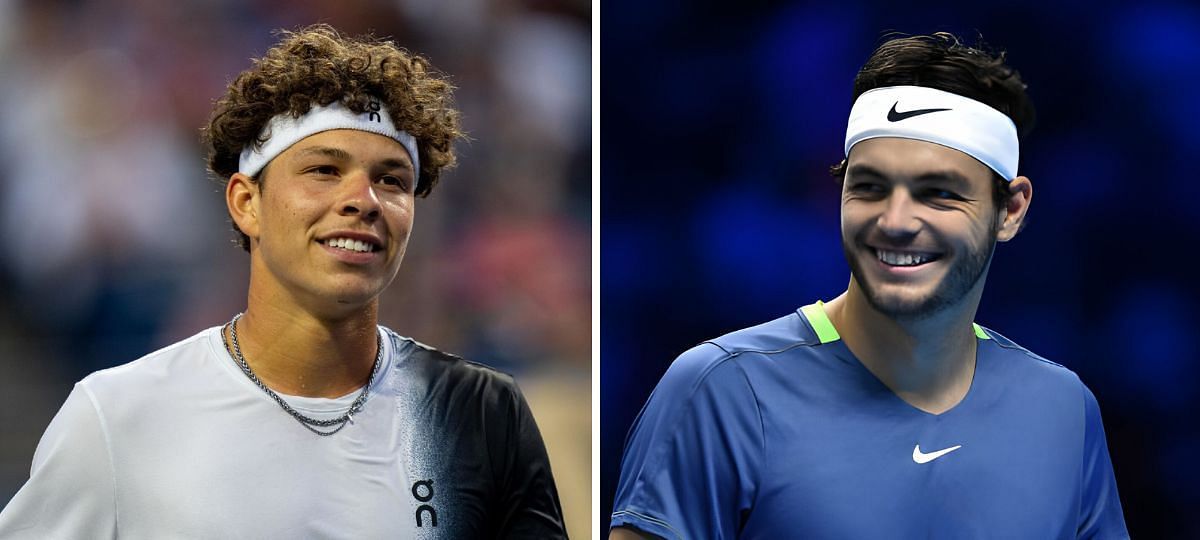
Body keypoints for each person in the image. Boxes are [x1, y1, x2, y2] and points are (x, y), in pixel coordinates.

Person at [0, 25, 566, 539]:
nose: (362, 201)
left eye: (391, 179)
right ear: (247, 204)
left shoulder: (483, 412)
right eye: (324, 170)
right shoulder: (116, 413)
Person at [609, 33, 1127, 539]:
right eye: (870, 187)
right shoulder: (721, 392)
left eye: (938, 194)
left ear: (1010, 210)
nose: (896, 220)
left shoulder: (1063, 408)